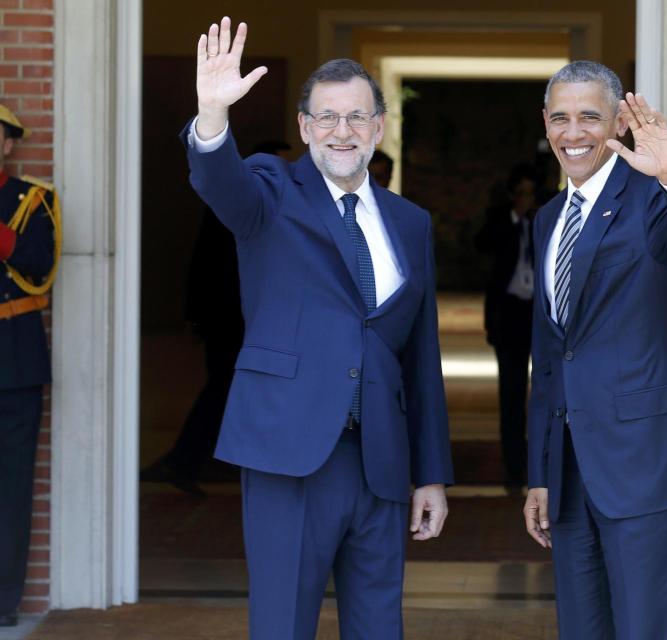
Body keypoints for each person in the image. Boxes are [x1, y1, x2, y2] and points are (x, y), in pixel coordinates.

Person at [183, 18, 453, 639]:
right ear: (305, 128)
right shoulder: (271, 192)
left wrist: (430, 474)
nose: (342, 131)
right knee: (283, 626)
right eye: (327, 118)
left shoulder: (410, 222)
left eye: (357, 117)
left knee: (380, 627)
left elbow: (421, 356)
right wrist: (211, 118)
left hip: (381, 462)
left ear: (379, 128)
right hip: (291, 453)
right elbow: (220, 183)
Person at [522, 61, 667, 639]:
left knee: (646, 629)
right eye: (560, 118)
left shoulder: (653, 198)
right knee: (582, 629)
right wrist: (540, 471)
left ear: (618, 121)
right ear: (545, 123)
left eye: (590, 117)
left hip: (645, 461)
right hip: (568, 467)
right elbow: (550, 354)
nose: (574, 132)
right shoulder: (546, 219)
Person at [141, 140, 291, 497]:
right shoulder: (235, 205)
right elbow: (205, 259)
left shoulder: (275, 207)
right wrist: (194, 316)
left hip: (247, 318)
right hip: (227, 318)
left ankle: (200, 461)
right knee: (224, 389)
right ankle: (187, 461)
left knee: (235, 390)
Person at [0, 105, 61, 628]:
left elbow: (41, 265)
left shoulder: (31, 200)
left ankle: (3, 600)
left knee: (11, 488)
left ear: (6, 145)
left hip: (12, 358)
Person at [474, 163, 539, 488]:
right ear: (514, 195)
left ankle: (540, 461)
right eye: (523, 193)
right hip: (509, 313)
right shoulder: (501, 218)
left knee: (543, 393)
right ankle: (514, 464)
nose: (528, 199)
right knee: (511, 393)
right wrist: (515, 216)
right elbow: (482, 244)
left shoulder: (545, 218)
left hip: (539, 314)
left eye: (532, 194)